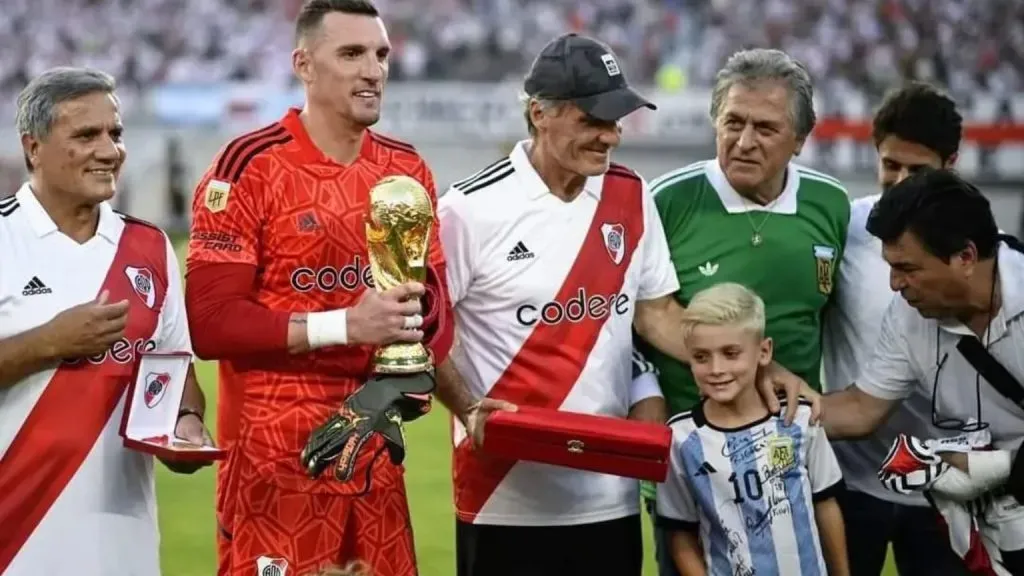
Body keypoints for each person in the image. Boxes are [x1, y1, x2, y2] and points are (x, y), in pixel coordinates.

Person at [183, 1, 453, 575]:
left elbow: (435, 317)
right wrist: (346, 326)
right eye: (351, 54)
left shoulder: (406, 171)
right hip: (272, 465)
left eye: (381, 55)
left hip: (375, 453)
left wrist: (395, 382)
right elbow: (211, 322)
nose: (373, 70)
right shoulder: (248, 167)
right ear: (303, 65)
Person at [431, 33, 687, 576]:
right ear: (539, 113)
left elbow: (656, 315)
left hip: (608, 494)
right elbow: (421, 330)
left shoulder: (631, 194)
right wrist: (467, 407)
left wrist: (752, 366)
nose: (610, 135)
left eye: (616, 120)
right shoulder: (469, 210)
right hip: (501, 496)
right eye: (593, 120)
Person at [636, 48, 850, 576]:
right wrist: (756, 371)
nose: (744, 140)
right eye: (733, 122)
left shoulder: (831, 205)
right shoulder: (667, 202)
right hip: (695, 467)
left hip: (791, 460)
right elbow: (646, 314)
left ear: (799, 139)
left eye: (765, 128)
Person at [0, 67, 211, 575]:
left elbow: (177, 372)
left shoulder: (150, 247)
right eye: (86, 135)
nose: (109, 150)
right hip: (15, 541)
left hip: (123, 548)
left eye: (115, 133)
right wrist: (48, 343)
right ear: (33, 148)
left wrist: (186, 423)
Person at [778, 168, 1024, 574]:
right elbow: (861, 408)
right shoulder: (910, 317)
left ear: (965, 257)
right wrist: (768, 414)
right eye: (891, 267)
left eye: (908, 268)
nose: (895, 284)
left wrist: (993, 469)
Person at [822, 82, 971, 576]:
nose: (903, 182)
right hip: (848, 481)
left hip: (945, 490)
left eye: (918, 170)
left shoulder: (983, 255)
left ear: (950, 164)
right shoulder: (842, 232)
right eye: (891, 165)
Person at [656, 282, 848, 576]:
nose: (716, 369)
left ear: (764, 351)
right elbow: (680, 531)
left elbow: (826, 504)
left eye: (731, 353)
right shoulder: (681, 439)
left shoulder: (799, 420)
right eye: (701, 357)